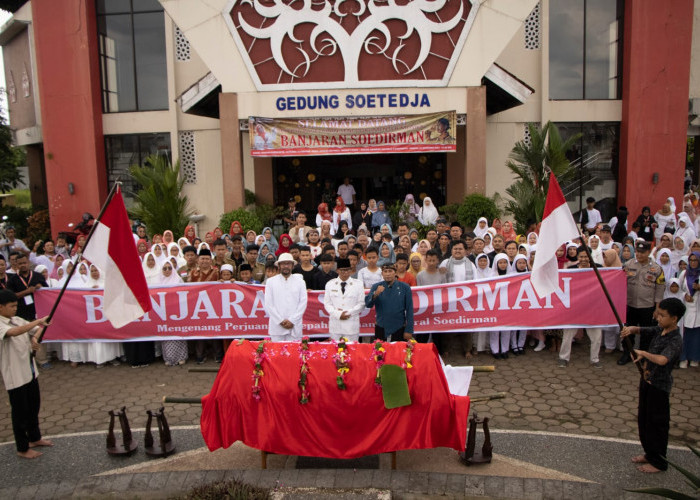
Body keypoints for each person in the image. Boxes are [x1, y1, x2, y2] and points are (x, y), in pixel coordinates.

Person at [621, 298, 684, 473]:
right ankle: (649, 453)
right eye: (658, 313)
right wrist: (632, 329)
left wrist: (643, 353)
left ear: (674, 318)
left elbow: (663, 360)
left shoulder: (675, 339)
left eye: (662, 315)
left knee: (657, 424)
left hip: (659, 387)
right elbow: (646, 330)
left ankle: (659, 462)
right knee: (644, 420)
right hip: (646, 381)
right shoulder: (661, 330)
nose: (658, 318)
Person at [0, 289, 51, 459]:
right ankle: (22, 447)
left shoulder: (16, 320)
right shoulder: (2, 324)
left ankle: (35, 437)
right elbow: (14, 333)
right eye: (11, 306)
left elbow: (36, 329)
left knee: (33, 406)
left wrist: (35, 338)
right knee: (20, 412)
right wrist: (38, 321)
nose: (15, 309)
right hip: (15, 376)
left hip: (30, 371)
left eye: (16, 305)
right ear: (1, 307)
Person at [619, 241, 665, 365]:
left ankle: (644, 355)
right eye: (637, 252)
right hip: (630, 304)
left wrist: (657, 308)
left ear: (648, 252)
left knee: (646, 332)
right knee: (627, 331)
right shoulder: (628, 264)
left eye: (642, 252)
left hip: (647, 306)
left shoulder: (656, 268)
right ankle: (627, 353)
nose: (639, 254)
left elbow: (660, 289)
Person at [558, 247, 602, 368]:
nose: (584, 259)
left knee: (596, 336)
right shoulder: (571, 270)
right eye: (581, 257)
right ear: (577, 257)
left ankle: (595, 359)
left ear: (590, 256)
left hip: (593, 308)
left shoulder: (600, 269)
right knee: (568, 334)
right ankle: (563, 358)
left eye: (586, 256)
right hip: (575, 308)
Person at [8, 255, 50, 369]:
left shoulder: (38, 276)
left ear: (28, 263)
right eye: (20, 263)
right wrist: (27, 291)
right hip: (21, 313)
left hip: (37, 311)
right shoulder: (13, 279)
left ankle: (42, 360)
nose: (23, 265)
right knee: (23, 338)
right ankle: (28, 361)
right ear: (16, 265)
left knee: (39, 334)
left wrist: (41, 287)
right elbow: (11, 296)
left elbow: (48, 291)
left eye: (24, 263)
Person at [365, 263, 414, 342]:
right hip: (381, 327)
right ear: (382, 274)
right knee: (380, 352)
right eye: (385, 271)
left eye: (390, 271)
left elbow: (409, 309)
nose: (388, 274)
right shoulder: (376, 287)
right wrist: (375, 294)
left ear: (395, 273)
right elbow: (368, 304)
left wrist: (409, 330)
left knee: (399, 352)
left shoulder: (405, 287)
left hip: (399, 327)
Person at [264, 253, 308, 341]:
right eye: (283, 264)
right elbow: (269, 304)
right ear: (279, 266)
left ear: (292, 266)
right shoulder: (270, 282)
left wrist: (292, 320)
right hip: (277, 327)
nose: (286, 266)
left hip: (295, 327)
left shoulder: (300, 282)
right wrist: (280, 321)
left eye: (288, 264)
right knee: (276, 354)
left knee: (295, 353)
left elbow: (303, 303)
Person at [324, 258, 365, 341]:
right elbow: (327, 304)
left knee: (352, 351)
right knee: (335, 351)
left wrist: (347, 313)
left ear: (350, 270)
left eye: (347, 270)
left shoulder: (358, 284)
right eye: (342, 270)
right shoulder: (330, 284)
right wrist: (338, 314)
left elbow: (361, 304)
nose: (345, 273)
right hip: (336, 325)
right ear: (337, 270)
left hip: (351, 325)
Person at [158, 261, 188, 366]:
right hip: (163, 312)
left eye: (169, 268)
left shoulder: (178, 279)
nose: (167, 271)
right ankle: (168, 358)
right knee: (167, 334)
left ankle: (181, 357)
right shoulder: (158, 281)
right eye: (165, 268)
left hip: (177, 311)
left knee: (178, 334)